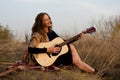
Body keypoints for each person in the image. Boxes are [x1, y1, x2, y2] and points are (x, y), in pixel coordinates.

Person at [27, 12, 96, 73]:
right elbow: (30, 49)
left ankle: (89, 69)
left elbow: (63, 42)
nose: (49, 21)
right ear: (40, 22)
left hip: (54, 57)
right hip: (45, 59)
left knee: (70, 46)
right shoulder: (37, 34)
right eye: (46, 20)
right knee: (73, 56)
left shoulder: (51, 32)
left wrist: (77, 38)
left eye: (49, 19)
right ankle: (92, 70)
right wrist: (48, 50)